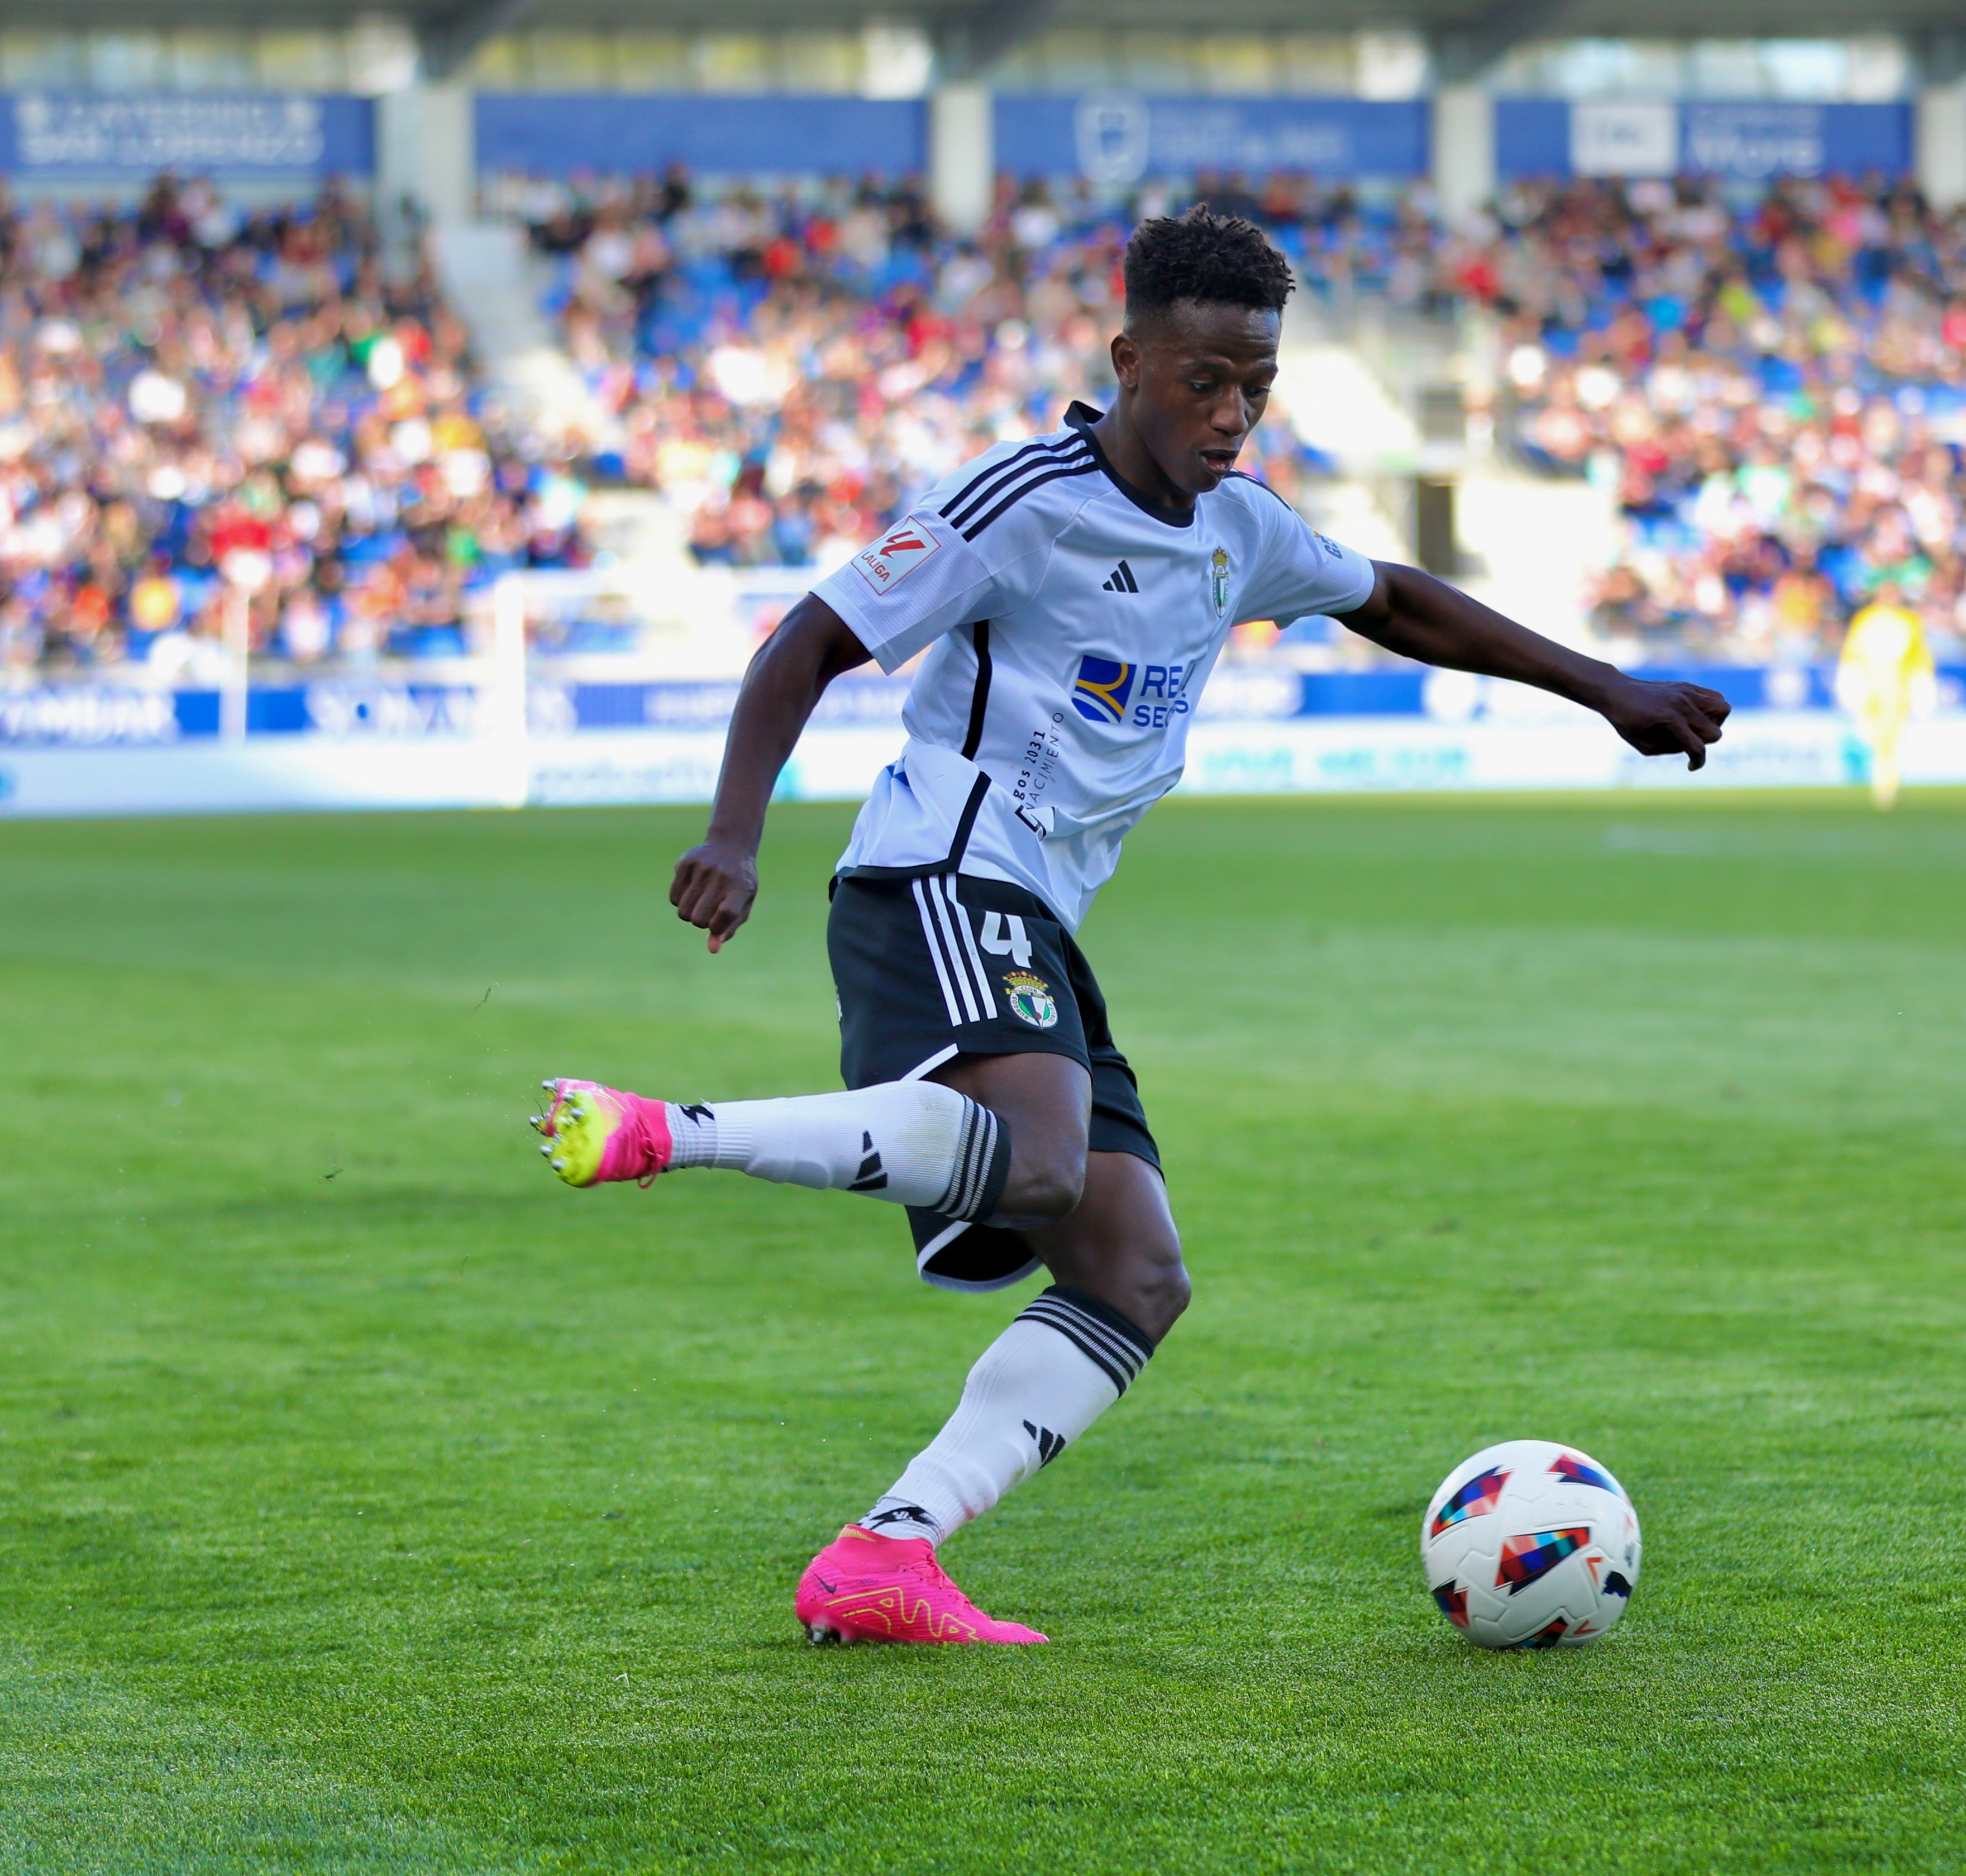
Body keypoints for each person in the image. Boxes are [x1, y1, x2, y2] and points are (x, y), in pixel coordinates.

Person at [524, 207, 1730, 1646]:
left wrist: (1607, 688)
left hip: (1040, 912)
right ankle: (664, 1130)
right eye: (1201, 382)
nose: (1230, 417)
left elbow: (1396, 600)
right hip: (941, 872)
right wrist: (734, 829)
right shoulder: (1017, 500)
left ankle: (883, 1553)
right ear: (1128, 361)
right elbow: (810, 637)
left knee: (1133, 1270)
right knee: (1037, 1162)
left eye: (1256, 388)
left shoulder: (1237, 527)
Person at [1836, 584, 1934, 808]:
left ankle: (1887, 785)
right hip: (1871, 688)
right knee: (1873, 735)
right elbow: (1852, 654)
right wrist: (1850, 682)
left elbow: (1920, 656)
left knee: (1891, 738)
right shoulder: (1865, 619)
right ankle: (1881, 781)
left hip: (1898, 690)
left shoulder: (1909, 620)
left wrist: (1922, 685)